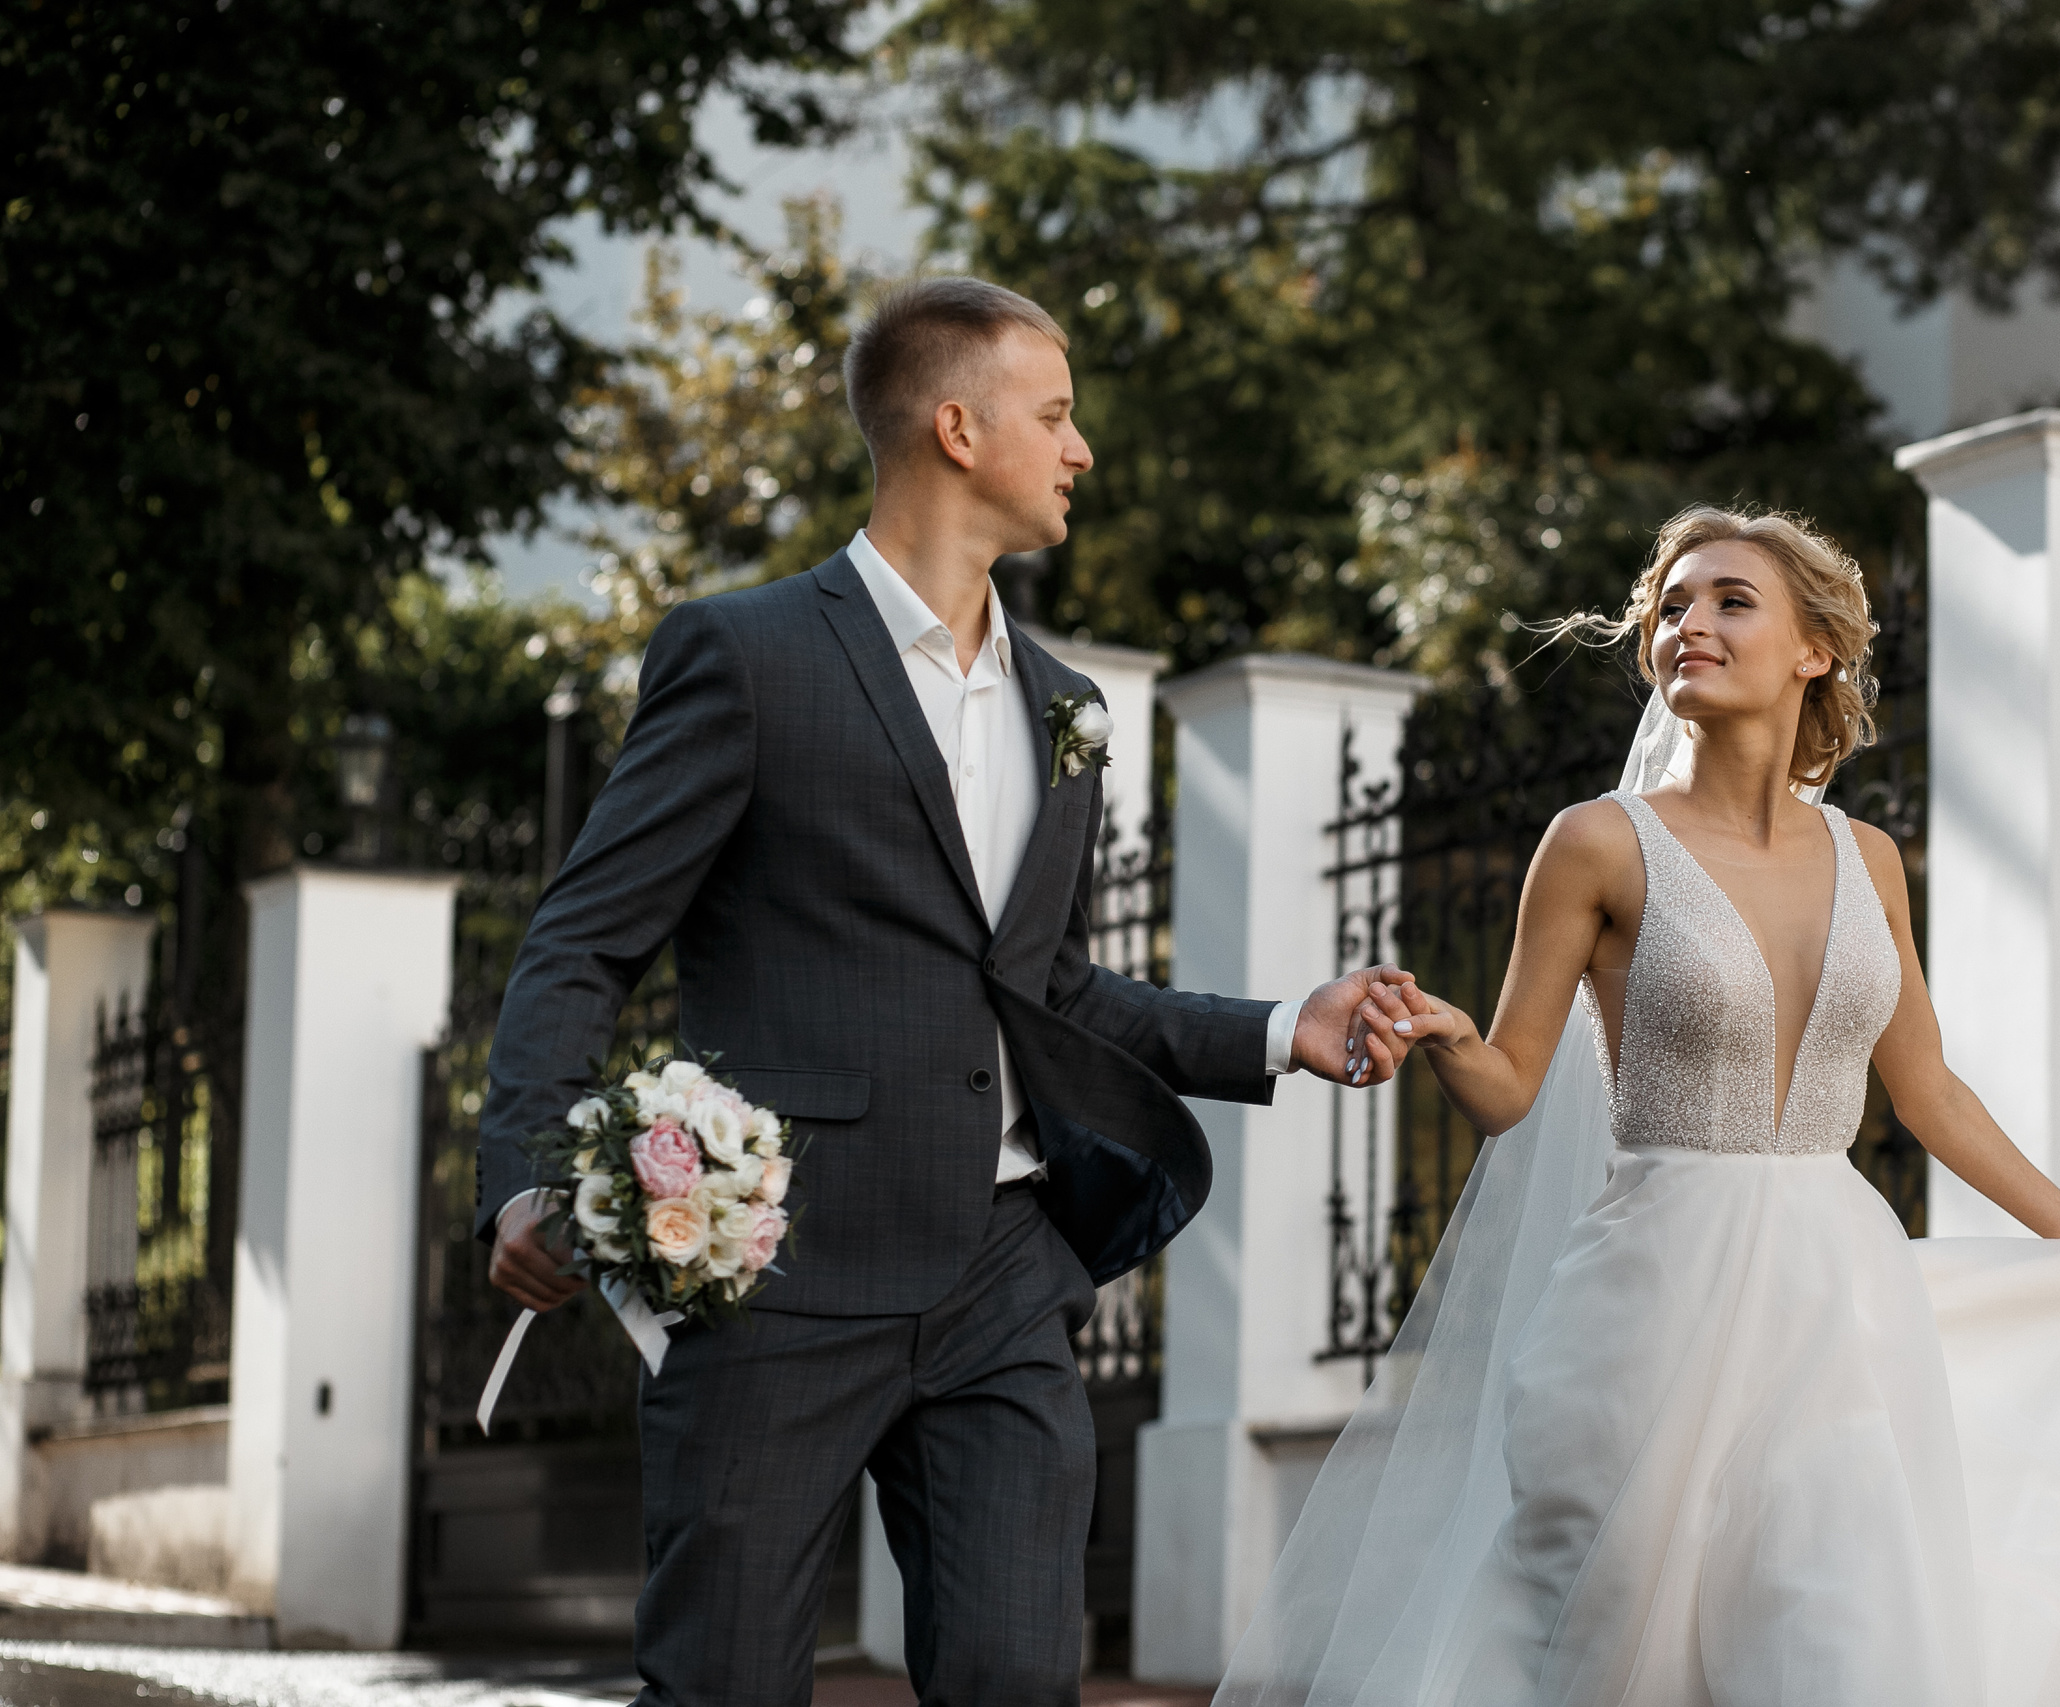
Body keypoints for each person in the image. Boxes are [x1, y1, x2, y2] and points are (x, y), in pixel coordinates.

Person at [476, 276, 1415, 1707]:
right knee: (722, 1681)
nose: (1081, 449)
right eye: (1057, 414)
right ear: (958, 426)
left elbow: (1051, 991)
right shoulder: (747, 655)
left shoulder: (1069, 710)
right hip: (774, 1271)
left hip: (1006, 1275)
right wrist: (525, 1176)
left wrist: (1287, 1028)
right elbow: (585, 940)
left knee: (1015, 1676)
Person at [1216, 506, 2060, 1707]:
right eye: (1673, 605)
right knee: (1588, 1634)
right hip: (1647, 1296)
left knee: (1835, 1634)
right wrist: (1453, 1040)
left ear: (1814, 650)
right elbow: (1511, 1091)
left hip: (1838, 1304)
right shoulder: (1595, 844)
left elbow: (1930, 1092)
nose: (1690, 624)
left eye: (1730, 600)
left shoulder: (1870, 858)